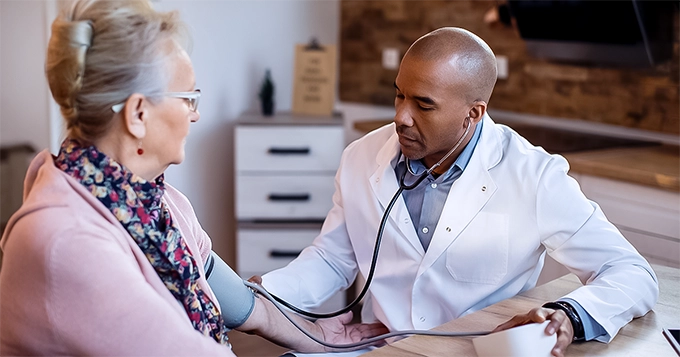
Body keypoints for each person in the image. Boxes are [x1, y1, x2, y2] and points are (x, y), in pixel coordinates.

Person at [0, 0, 386, 356]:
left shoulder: (157, 202)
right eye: (188, 99)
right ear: (138, 114)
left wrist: (316, 335)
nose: (195, 114)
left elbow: (247, 306)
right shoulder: (66, 242)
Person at [258, 27, 659, 357]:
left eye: (423, 104)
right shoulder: (362, 156)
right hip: (377, 346)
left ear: (474, 113)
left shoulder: (533, 175)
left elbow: (631, 273)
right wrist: (264, 294)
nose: (400, 116)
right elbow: (332, 258)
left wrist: (570, 314)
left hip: (479, 353)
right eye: (399, 94)